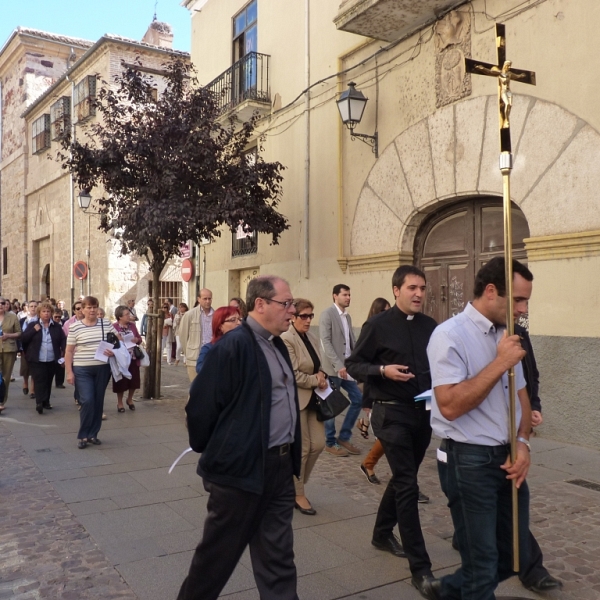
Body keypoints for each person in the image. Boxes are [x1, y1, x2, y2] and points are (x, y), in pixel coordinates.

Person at [179, 276, 301, 600]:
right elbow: (200, 408)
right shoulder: (234, 345)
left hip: (278, 469)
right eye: (285, 304)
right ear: (260, 304)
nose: (292, 310)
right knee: (214, 563)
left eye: (293, 304)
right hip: (239, 475)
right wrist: (222, 452)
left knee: (278, 561)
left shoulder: (277, 345)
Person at [428, 257, 535, 600]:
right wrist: (500, 362)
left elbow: (523, 397)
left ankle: (446, 591)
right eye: (517, 299)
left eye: (526, 300)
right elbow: (450, 405)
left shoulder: (510, 334)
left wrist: (523, 442)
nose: (523, 308)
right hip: (469, 460)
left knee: (514, 555)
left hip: (507, 458)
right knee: (483, 565)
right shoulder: (449, 335)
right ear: (491, 291)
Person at [346, 266, 438, 599]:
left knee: (404, 478)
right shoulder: (378, 325)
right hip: (392, 413)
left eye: (423, 288)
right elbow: (353, 364)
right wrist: (382, 370)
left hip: (423, 414)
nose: (418, 294)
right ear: (396, 290)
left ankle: (382, 533)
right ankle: (421, 569)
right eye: (412, 287)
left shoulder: (430, 326)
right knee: (409, 486)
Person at [282, 298, 327, 516]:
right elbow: (292, 373)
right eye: (304, 316)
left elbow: (319, 365)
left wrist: (323, 376)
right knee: (302, 448)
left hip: (315, 400)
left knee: (318, 444)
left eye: (311, 315)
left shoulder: (312, 337)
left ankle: (294, 483)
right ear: (293, 317)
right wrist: (314, 380)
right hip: (297, 399)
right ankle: (298, 493)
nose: (308, 320)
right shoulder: (286, 338)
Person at [65, 296, 118, 449]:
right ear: (82, 309)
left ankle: (93, 434)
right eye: (88, 307)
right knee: (87, 400)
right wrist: (69, 372)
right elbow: (69, 352)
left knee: (98, 401)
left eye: (94, 307)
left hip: (102, 368)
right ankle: (83, 434)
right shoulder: (75, 327)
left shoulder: (106, 323)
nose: (92, 310)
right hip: (82, 368)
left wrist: (113, 351)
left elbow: (118, 340)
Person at [319, 284, 363, 456]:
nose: (348, 297)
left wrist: (355, 362)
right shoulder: (327, 315)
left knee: (358, 399)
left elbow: (350, 341)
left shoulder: (347, 317)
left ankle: (344, 436)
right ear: (335, 296)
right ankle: (329, 442)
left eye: (349, 295)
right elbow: (325, 342)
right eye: (345, 294)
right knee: (331, 405)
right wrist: (338, 365)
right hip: (333, 369)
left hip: (347, 369)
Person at [358, 297, 390, 485]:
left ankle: (368, 463)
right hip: (376, 394)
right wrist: (367, 402)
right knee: (388, 437)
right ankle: (368, 463)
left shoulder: (393, 331)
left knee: (391, 437)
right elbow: (365, 370)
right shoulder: (370, 330)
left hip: (392, 394)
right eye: (384, 311)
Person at [21, 302, 66, 414]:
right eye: (43, 312)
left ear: (51, 313)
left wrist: (63, 352)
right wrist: (33, 330)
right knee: (39, 379)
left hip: (51, 358)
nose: (46, 314)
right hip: (37, 359)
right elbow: (23, 338)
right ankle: (39, 403)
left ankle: (46, 401)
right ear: (39, 313)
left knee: (48, 380)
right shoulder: (33, 325)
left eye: (48, 311)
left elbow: (62, 340)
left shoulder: (57, 326)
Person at [179, 288, 214, 382]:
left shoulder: (215, 315)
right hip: (195, 357)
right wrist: (189, 353)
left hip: (211, 356)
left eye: (209, 298)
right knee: (195, 388)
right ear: (199, 299)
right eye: (205, 298)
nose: (207, 301)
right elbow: (183, 336)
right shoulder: (190, 315)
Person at [112, 305, 142, 412]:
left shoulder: (132, 326)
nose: (129, 316)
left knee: (134, 380)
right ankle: (119, 403)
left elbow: (139, 338)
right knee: (121, 381)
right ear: (120, 317)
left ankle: (130, 399)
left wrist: (136, 339)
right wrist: (118, 340)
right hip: (120, 359)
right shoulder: (114, 327)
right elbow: (110, 342)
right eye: (126, 314)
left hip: (133, 357)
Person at [195, 306, 242, 374]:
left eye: (240, 319)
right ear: (220, 326)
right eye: (233, 320)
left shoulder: (245, 346)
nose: (239, 323)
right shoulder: (209, 348)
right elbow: (200, 369)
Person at [0, 295, 22, 411]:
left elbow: (19, 333)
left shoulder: (12, 317)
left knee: (6, 377)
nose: (0, 305)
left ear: (6, 305)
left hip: (9, 349)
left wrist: (8, 335)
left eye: (3, 303)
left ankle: (2, 400)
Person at [19, 300, 38, 399]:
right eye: (31, 306)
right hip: (24, 348)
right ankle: (25, 382)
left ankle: (32, 388)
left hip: (35, 347)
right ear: (28, 308)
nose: (33, 308)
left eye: (35, 306)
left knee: (34, 368)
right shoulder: (23, 320)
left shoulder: (39, 320)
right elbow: (20, 334)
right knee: (25, 367)